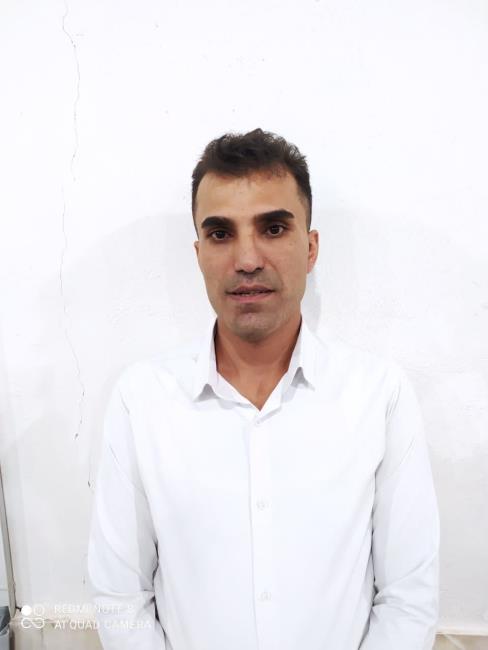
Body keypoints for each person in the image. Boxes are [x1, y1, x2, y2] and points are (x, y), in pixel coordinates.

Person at [87, 128, 440, 650]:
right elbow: (120, 597)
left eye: (273, 228)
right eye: (221, 234)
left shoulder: (378, 395)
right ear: (199, 253)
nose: (247, 259)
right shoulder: (142, 400)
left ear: (311, 247)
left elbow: (408, 598)